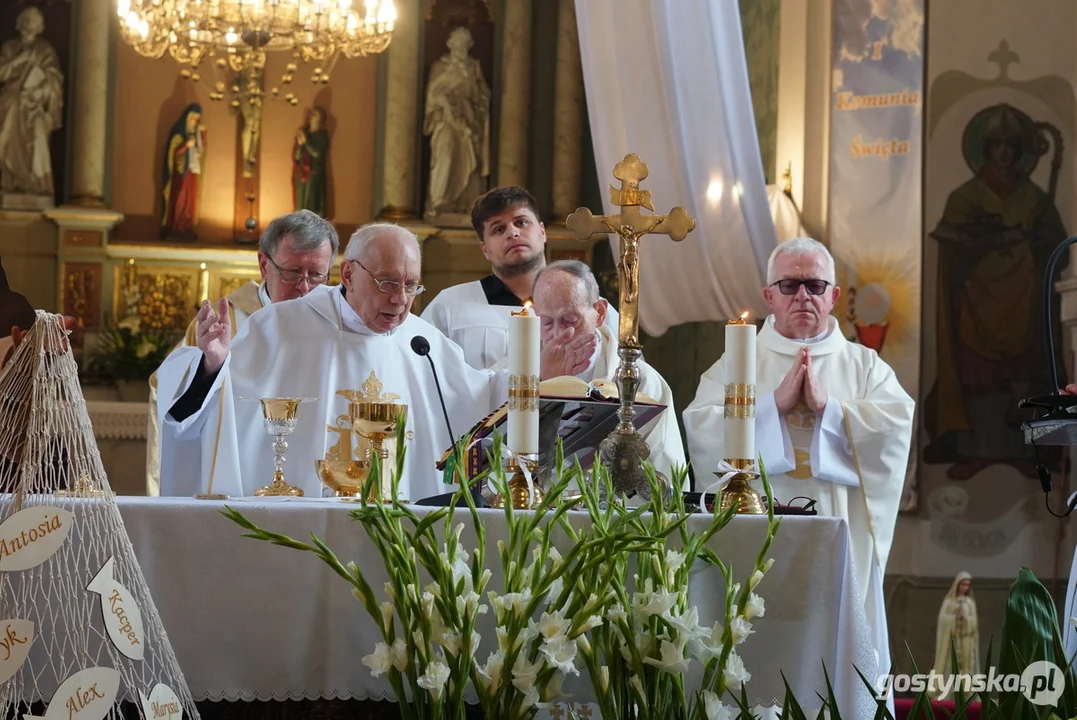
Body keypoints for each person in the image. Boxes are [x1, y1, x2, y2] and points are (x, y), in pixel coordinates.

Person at [155, 222, 596, 499]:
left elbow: (478, 397)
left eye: (412, 286)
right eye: (387, 282)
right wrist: (212, 366)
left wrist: (539, 378)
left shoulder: (421, 342)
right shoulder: (280, 329)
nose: (401, 300)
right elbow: (202, 410)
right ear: (348, 274)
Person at [683, 236, 915, 673]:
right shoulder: (737, 361)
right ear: (769, 296)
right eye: (789, 286)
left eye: (814, 285)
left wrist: (833, 409)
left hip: (836, 537)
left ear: (834, 296)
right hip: (755, 538)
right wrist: (772, 407)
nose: (803, 295)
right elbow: (702, 427)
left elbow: (895, 429)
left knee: (833, 662)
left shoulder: (865, 367)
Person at [146, 210, 338, 496]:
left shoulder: (336, 325)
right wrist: (210, 365)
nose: (304, 287)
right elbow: (168, 397)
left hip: (310, 477)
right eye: (292, 272)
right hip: (237, 479)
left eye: (316, 275)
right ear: (264, 264)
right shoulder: (226, 323)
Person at [422, 186, 619, 370]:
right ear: (485, 249)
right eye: (498, 229)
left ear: (542, 232)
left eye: (521, 222)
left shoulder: (589, 304)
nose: (513, 233)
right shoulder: (449, 306)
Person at [528, 260, 685, 481]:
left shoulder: (641, 381)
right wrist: (540, 385)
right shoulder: (515, 373)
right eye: (546, 323)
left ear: (599, 312)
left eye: (570, 320)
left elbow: (662, 472)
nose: (558, 335)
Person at [423, 27, 490, 220]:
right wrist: (445, 104)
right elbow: (431, 96)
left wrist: (476, 102)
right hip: (445, 120)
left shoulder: (473, 67)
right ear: (450, 44)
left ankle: (462, 204)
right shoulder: (440, 67)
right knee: (446, 153)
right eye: (457, 43)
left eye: (465, 43)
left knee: (468, 161)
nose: (461, 47)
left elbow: (483, 96)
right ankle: (439, 201)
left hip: (468, 122)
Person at [0, 7, 64, 202]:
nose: (29, 26)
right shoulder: (10, 48)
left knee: (38, 137)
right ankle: (10, 181)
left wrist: (40, 90)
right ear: (19, 25)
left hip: (35, 105)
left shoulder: (45, 50)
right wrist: (20, 60)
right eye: (26, 22)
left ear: (40, 27)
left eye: (33, 23)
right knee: (8, 120)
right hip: (11, 102)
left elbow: (55, 79)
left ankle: (37, 184)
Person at [162, 103, 207, 238]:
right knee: (181, 195)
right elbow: (174, 152)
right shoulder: (178, 132)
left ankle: (187, 225)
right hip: (181, 171)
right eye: (193, 118)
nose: (194, 122)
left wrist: (203, 134)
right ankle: (176, 225)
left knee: (191, 197)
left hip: (193, 170)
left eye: (197, 119)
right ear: (187, 118)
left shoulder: (196, 133)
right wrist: (186, 145)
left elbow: (202, 148)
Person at [931, 571, 978, 696]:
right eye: (963, 584)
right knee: (951, 664)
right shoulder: (949, 602)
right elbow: (942, 620)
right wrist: (954, 618)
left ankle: (966, 692)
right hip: (952, 639)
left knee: (967, 665)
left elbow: (974, 624)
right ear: (957, 585)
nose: (965, 588)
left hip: (966, 639)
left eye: (967, 585)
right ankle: (949, 691)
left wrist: (965, 618)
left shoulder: (969, 603)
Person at [293, 106, 329, 217]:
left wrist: (306, 141)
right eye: (312, 116)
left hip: (314, 173)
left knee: (312, 201)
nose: (313, 118)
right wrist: (300, 144)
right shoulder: (305, 134)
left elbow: (317, 153)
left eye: (316, 116)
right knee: (301, 201)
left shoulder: (322, 136)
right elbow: (297, 157)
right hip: (303, 173)